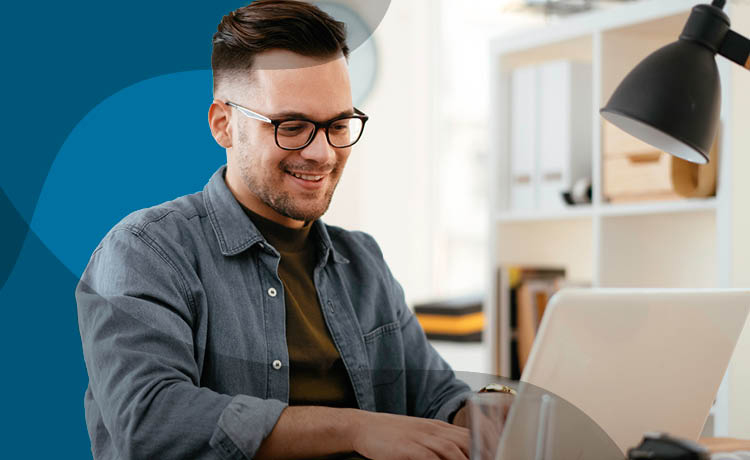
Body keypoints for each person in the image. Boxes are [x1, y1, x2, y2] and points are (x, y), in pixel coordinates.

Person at [76, 1, 474, 458]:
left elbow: (437, 396)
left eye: (338, 124)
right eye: (292, 126)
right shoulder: (145, 251)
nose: (322, 154)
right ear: (224, 125)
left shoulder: (363, 261)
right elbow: (151, 422)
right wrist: (356, 430)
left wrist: (483, 415)